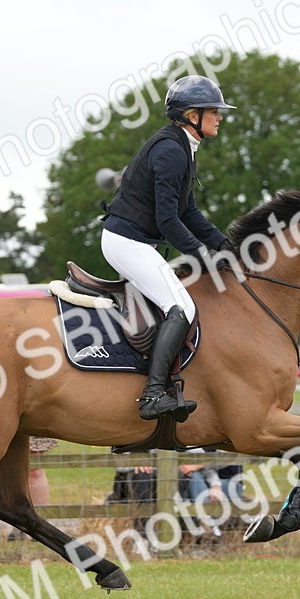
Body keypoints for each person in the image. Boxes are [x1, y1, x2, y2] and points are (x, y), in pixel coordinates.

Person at [99, 74, 236, 421]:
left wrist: (223, 243)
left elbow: (187, 211)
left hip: (134, 240)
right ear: (192, 115)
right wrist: (202, 256)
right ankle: (153, 394)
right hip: (126, 241)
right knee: (182, 307)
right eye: (214, 111)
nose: (220, 117)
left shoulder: (183, 147)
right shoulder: (171, 151)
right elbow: (166, 221)